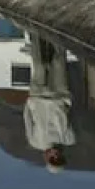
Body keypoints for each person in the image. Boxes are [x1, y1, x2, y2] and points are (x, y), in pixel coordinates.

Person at [24, 29, 74, 172]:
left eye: (53, 160)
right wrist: (66, 102)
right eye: (59, 159)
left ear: (46, 158)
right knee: (58, 60)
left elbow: (27, 120)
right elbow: (72, 117)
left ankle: (35, 31)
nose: (56, 156)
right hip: (59, 95)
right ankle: (56, 31)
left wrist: (29, 103)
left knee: (39, 64)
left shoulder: (35, 142)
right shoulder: (69, 139)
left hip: (38, 97)